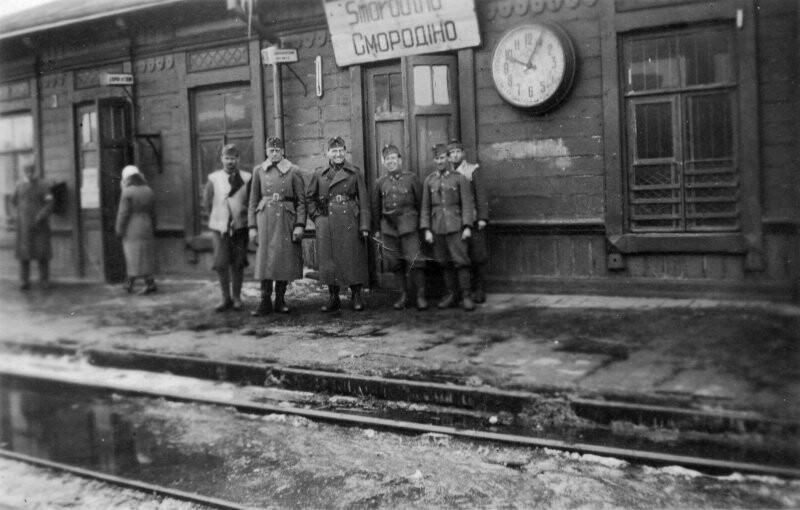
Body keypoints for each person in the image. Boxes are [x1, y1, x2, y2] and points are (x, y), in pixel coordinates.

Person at [307, 136, 370, 312]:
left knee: (353, 258)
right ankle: (333, 297)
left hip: (350, 219)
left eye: (341, 150)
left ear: (345, 152)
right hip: (327, 221)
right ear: (327, 153)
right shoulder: (319, 173)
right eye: (334, 151)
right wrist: (317, 218)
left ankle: (356, 295)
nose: (338, 154)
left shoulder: (354, 172)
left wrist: (364, 225)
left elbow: (364, 201)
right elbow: (309, 198)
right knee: (329, 260)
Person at [248, 137, 307, 315]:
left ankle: (280, 300)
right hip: (265, 220)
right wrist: (252, 227)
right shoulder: (258, 171)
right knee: (265, 260)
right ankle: (265, 301)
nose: (274, 154)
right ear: (266, 151)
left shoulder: (293, 170)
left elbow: (301, 202)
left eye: (278, 150)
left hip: (285, 220)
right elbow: (252, 201)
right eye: (271, 150)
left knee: (283, 260)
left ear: (283, 151)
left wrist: (300, 225)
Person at [371, 144, 427, 310]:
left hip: (409, 227)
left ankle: (420, 296)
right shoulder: (380, 183)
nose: (391, 162)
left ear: (400, 160)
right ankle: (403, 295)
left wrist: (421, 225)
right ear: (383, 162)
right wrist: (377, 230)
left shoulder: (411, 179)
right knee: (394, 263)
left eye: (394, 158)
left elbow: (421, 202)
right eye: (387, 159)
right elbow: (376, 208)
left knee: (415, 261)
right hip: (389, 229)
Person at [420, 143, 476, 311]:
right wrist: (426, 229)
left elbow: (467, 204)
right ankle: (452, 295)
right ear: (434, 160)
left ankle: (466, 296)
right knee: (444, 263)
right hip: (437, 228)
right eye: (437, 158)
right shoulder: (429, 180)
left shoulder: (459, 178)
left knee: (461, 261)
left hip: (456, 226)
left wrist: (467, 226)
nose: (440, 161)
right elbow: (425, 207)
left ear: (448, 158)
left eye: (443, 157)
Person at [203, 144, 251, 312]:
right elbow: (207, 202)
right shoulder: (214, 178)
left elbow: (251, 202)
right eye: (227, 158)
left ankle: (237, 297)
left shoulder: (246, 178)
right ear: (221, 159)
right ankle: (226, 298)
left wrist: (241, 217)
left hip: (240, 227)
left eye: (233, 158)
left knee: (238, 262)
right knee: (222, 263)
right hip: (220, 229)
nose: (230, 161)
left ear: (238, 159)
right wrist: (219, 218)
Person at [447, 139, 489, 303]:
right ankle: (464, 291)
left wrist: (482, 218)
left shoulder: (472, 170)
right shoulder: (447, 173)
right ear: (448, 157)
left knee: (477, 255)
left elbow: (481, 195)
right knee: (461, 257)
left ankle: (480, 289)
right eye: (452, 153)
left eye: (458, 152)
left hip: (473, 219)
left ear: (463, 154)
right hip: (456, 221)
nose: (455, 155)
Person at [115, 165, 157, 294]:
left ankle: (129, 284)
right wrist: (153, 225)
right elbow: (153, 212)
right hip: (147, 225)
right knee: (146, 256)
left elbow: (123, 213)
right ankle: (150, 283)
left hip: (132, 227)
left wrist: (119, 229)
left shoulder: (127, 192)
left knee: (132, 257)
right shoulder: (148, 190)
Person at [12, 163, 53, 290]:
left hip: (40, 224)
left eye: (31, 172)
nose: (29, 174)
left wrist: (42, 214)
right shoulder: (19, 185)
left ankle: (44, 280)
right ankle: (24, 281)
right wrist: (17, 217)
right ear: (24, 172)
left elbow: (50, 203)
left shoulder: (44, 185)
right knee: (24, 254)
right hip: (24, 225)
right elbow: (13, 202)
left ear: (35, 172)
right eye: (27, 172)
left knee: (42, 253)